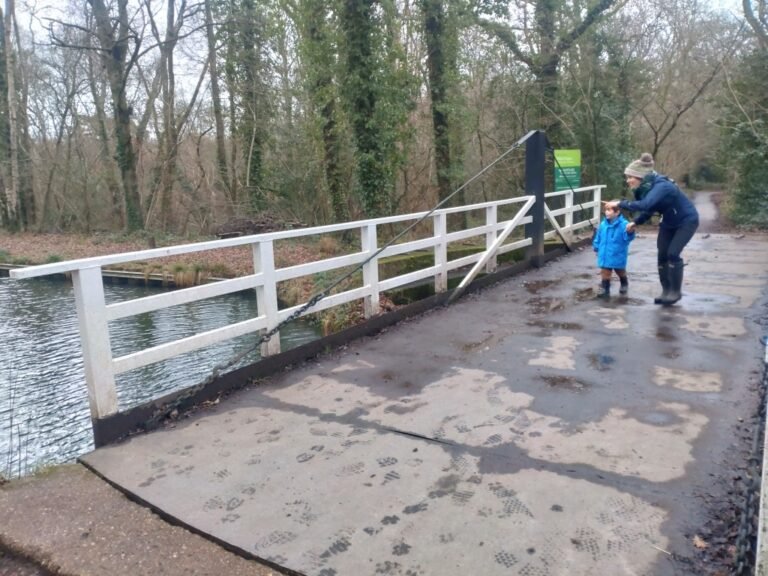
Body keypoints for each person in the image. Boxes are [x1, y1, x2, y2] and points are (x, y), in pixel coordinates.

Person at [604, 153, 699, 305]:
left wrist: (620, 203)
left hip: (686, 221)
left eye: (630, 177)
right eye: (627, 177)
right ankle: (666, 292)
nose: (628, 181)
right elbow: (649, 209)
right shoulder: (648, 187)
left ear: (640, 176)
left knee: (673, 253)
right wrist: (636, 221)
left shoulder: (662, 186)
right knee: (662, 255)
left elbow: (646, 204)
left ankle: (675, 292)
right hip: (668, 222)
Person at [592, 202, 635, 298]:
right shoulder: (603, 224)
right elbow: (598, 236)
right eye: (606, 210)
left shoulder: (624, 224)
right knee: (605, 271)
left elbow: (627, 238)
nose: (606, 212)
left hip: (617, 253)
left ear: (617, 212)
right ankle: (605, 288)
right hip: (604, 253)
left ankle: (624, 282)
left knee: (620, 270)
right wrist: (596, 246)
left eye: (609, 210)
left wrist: (630, 232)